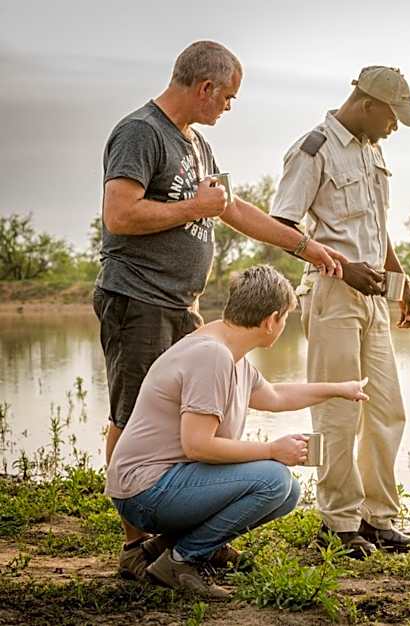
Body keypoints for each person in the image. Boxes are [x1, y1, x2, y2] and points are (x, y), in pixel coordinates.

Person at [96, 40, 346, 576]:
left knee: (191, 412)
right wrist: (196, 206)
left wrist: (301, 245)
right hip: (136, 296)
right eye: (227, 97)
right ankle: (135, 543)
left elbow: (233, 209)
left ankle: (183, 531)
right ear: (204, 88)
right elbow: (118, 215)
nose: (228, 107)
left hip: (180, 301)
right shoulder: (141, 133)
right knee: (131, 410)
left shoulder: (197, 145)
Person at [106, 265, 369, 598]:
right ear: (272, 319)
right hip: (145, 493)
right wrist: (273, 450)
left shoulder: (229, 353)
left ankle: (166, 549)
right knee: (274, 480)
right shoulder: (211, 356)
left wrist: (339, 388)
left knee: (286, 491)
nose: (283, 326)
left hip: (165, 483)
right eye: (286, 318)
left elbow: (274, 396)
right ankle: (182, 560)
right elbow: (198, 446)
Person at [268, 66, 410, 558]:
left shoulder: (371, 150)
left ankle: (378, 518)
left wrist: (401, 280)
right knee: (338, 412)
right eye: (393, 117)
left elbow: (377, 227)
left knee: (386, 408)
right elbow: (282, 225)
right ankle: (338, 523)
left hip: (374, 293)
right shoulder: (313, 148)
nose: (394, 128)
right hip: (333, 292)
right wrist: (339, 265)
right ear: (368, 104)